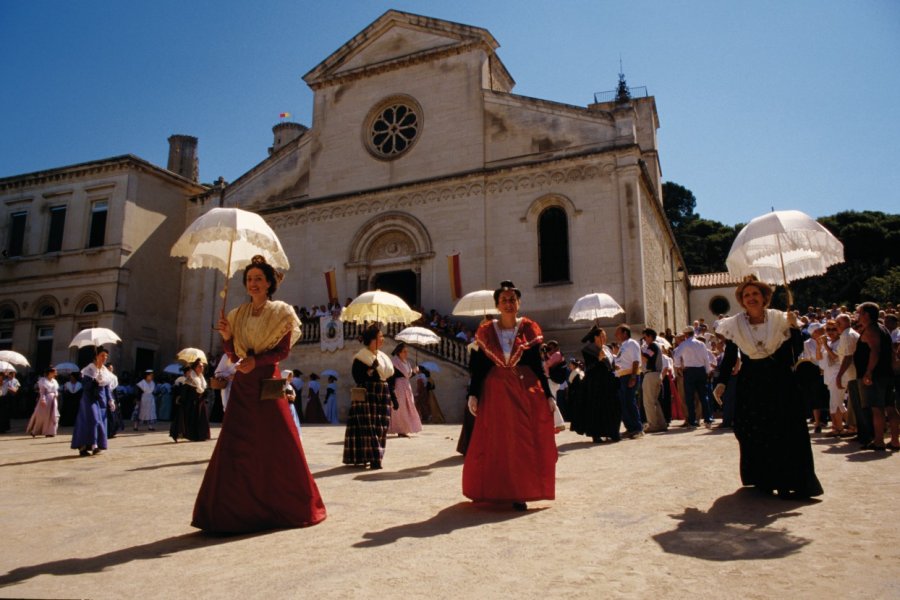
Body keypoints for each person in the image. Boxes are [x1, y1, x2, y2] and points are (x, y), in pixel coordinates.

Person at [192, 255, 326, 532]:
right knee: (236, 443)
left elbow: (283, 351)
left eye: (259, 279)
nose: (253, 283)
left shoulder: (281, 312)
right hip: (243, 385)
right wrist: (228, 338)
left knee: (279, 439)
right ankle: (230, 510)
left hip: (268, 381)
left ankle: (290, 504)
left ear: (269, 284)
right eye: (249, 279)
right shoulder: (236, 314)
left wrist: (258, 362)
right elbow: (233, 355)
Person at [713, 275, 823, 498]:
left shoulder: (781, 319)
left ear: (764, 297)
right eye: (746, 295)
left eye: (755, 294)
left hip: (780, 380)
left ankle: (792, 481)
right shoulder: (735, 324)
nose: (751, 298)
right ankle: (764, 477)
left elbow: (794, 351)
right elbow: (730, 356)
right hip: (752, 381)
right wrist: (722, 381)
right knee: (753, 430)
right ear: (742, 300)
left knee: (785, 429)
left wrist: (793, 329)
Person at [463, 281, 557, 511]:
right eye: (504, 300)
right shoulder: (486, 331)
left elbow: (536, 364)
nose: (508, 304)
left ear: (519, 303)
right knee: (496, 441)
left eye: (512, 300)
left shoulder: (528, 329)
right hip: (495, 393)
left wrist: (548, 394)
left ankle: (520, 491)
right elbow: (480, 366)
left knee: (521, 441)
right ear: (497, 305)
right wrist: (473, 393)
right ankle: (495, 488)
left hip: (522, 391)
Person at [343, 325, 396, 469]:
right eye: (380, 336)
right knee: (370, 427)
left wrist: (393, 396)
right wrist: (371, 369)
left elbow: (390, 378)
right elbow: (358, 377)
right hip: (368, 394)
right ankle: (375, 458)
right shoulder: (361, 357)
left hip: (383, 393)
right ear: (372, 339)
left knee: (382, 426)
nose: (382, 339)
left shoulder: (383, 357)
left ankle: (376, 455)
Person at [855, 302, 898, 451]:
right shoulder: (882, 328)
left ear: (866, 314)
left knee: (877, 408)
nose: (857, 315)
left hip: (876, 375)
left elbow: (875, 351)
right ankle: (894, 441)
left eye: (859, 312)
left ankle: (879, 441)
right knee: (890, 407)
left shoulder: (872, 329)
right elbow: (892, 353)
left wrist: (868, 372)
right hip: (886, 374)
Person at [571, 325, 621, 443]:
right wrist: (598, 359)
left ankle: (613, 432)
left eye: (605, 336)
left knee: (613, 406)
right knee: (597, 408)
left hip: (608, 381)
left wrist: (614, 366)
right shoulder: (588, 350)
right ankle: (596, 434)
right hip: (595, 382)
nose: (604, 338)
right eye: (602, 336)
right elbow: (589, 367)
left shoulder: (607, 349)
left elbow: (610, 363)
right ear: (596, 337)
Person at [71, 346, 115, 456]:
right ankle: (87, 445)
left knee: (100, 421)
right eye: (102, 355)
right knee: (93, 420)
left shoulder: (104, 371)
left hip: (101, 399)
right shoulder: (89, 369)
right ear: (96, 356)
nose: (104, 358)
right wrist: (94, 381)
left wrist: (110, 400)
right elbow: (85, 386)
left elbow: (106, 387)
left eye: (106, 356)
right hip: (89, 399)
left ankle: (95, 445)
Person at [674, 326, 713, 428]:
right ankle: (708, 419)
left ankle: (692, 421)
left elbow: (676, 355)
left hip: (689, 371)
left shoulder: (684, 344)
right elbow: (706, 358)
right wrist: (708, 371)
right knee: (703, 396)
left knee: (689, 397)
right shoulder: (701, 344)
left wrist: (678, 366)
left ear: (686, 335)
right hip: (701, 370)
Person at [613, 325, 644, 438]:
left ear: (625, 333)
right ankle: (630, 428)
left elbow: (636, 361)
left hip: (629, 376)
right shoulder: (623, 346)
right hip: (621, 377)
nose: (616, 335)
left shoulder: (632, 343)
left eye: (618, 333)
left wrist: (633, 377)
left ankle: (637, 428)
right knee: (624, 403)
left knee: (630, 402)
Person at [388, 342, 423, 437]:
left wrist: (414, 371)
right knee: (401, 408)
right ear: (399, 352)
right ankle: (400, 430)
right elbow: (392, 376)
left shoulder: (406, 362)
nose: (406, 353)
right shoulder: (395, 362)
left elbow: (408, 375)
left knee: (408, 407)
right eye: (404, 351)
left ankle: (406, 428)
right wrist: (392, 390)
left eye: (407, 351)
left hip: (406, 386)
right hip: (398, 387)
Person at [640, 328, 667, 433]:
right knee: (655, 401)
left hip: (651, 374)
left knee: (648, 402)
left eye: (645, 337)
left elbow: (645, 358)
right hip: (656, 375)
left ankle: (653, 425)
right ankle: (661, 424)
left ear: (650, 336)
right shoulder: (656, 346)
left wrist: (639, 350)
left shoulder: (652, 346)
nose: (644, 339)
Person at [26, 366, 60, 437]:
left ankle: (50, 432)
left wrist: (56, 394)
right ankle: (35, 431)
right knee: (41, 416)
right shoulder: (43, 381)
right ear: (50, 373)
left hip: (53, 400)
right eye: (54, 372)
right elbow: (42, 392)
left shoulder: (54, 381)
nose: (56, 373)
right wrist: (43, 400)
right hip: (46, 399)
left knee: (53, 415)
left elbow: (56, 390)